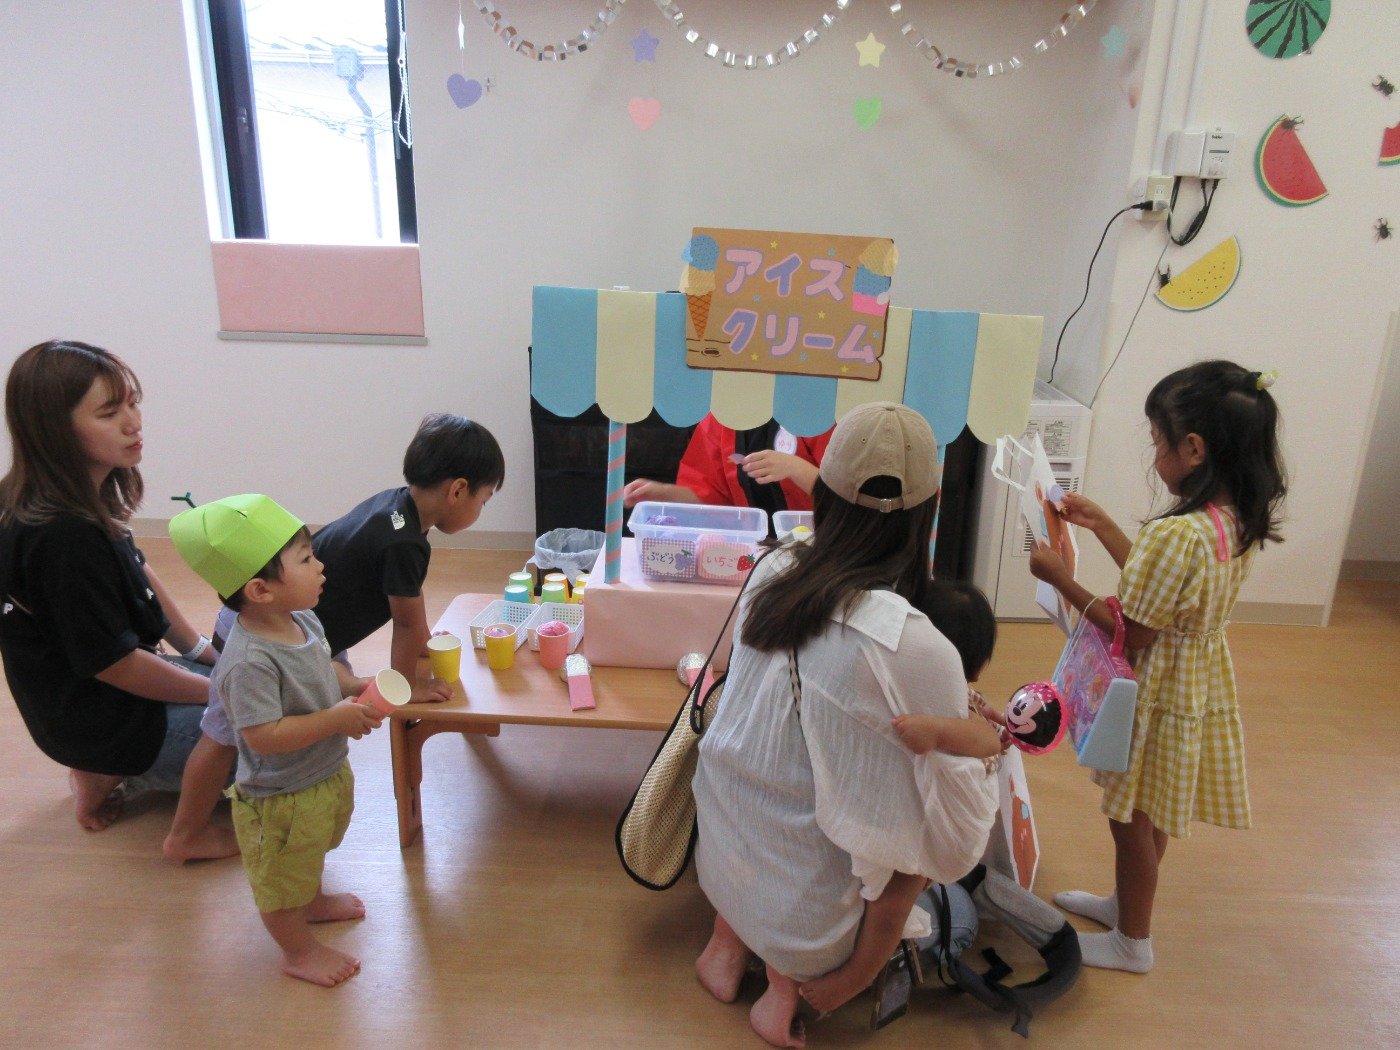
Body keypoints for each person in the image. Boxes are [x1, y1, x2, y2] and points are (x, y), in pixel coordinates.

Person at [690, 402, 998, 1047]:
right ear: (931, 507)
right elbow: (948, 837)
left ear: (821, 490)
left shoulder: (775, 567)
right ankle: (796, 990)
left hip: (720, 857)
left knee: (795, 792)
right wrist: (980, 742)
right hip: (808, 921)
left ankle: (725, 952)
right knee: (938, 881)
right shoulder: (916, 645)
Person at [1029, 360, 1286, 974]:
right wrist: (1104, 525)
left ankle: (1132, 941)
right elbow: (1162, 592)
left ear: (1193, 449)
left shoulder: (1179, 535)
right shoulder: (1231, 522)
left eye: (1156, 442)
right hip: (1191, 679)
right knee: (1153, 806)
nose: (1154, 456)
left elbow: (1136, 628)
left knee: (1131, 822)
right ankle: (1127, 904)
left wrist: (1063, 581)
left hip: (1156, 685)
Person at [0, 340, 238, 861]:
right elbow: (117, 665)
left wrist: (202, 652)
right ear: (53, 430)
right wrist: (223, 694)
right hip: (101, 719)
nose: (133, 423)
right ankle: (117, 776)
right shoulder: (62, 537)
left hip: (83, 702)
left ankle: (102, 770)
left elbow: (137, 568)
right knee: (278, 746)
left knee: (254, 685)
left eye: (132, 403)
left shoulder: (68, 493)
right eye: (109, 413)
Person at [170, 494, 383, 988]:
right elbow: (262, 736)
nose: (321, 566)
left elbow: (321, 665)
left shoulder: (301, 617)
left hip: (322, 771)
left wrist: (352, 685)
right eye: (306, 560)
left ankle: (312, 899)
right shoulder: (248, 662)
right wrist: (334, 720)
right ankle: (298, 952)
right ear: (261, 590)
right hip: (280, 796)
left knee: (311, 850)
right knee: (279, 880)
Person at [621, 413, 832, 517]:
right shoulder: (720, 419)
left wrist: (795, 468)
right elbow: (711, 498)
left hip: (821, 552)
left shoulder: (820, 414)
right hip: (750, 551)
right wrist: (661, 493)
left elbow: (844, 498)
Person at [892, 579, 1008, 761]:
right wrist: (938, 731)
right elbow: (992, 742)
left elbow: (991, 736)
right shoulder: (955, 702)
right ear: (978, 667)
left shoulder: (905, 680)